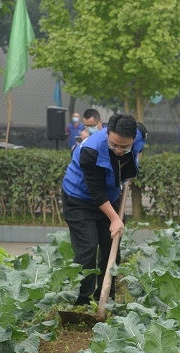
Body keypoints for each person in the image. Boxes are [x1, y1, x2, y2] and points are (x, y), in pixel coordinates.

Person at [61, 112, 147, 305]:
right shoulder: (90, 151)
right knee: (88, 249)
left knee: (111, 249)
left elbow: (138, 148)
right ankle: (82, 301)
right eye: (114, 144)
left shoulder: (139, 134)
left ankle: (106, 298)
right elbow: (96, 192)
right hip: (79, 198)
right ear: (107, 133)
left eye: (124, 146)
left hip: (111, 196)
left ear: (133, 138)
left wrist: (131, 162)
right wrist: (115, 218)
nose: (118, 149)